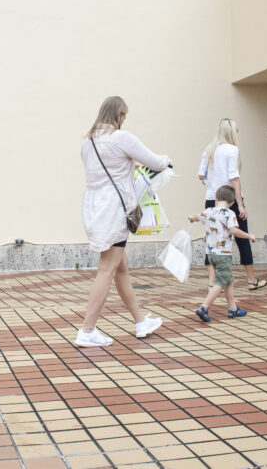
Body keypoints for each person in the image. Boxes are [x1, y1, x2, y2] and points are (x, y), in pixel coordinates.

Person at [77, 96, 169, 347]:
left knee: (121, 268)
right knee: (107, 268)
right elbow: (155, 161)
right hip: (114, 210)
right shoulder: (121, 138)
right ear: (118, 115)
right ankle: (87, 330)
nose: (124, 121)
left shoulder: (87, 142)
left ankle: (141, 321)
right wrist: (167, 160)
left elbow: (107, 168)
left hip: (95, 209)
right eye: (124, 116)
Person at [197, 119, 267, 291]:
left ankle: (212, 282)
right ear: (231, 132)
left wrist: (211, 182)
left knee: (212, 238)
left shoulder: (209, 149)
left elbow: (200, 175)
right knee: (242, 238)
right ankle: (251, 280)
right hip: (230, 199)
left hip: (211, 199)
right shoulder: (233, 150)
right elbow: (234, 179)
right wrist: (240, 205)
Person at [188, 185, 257, 322]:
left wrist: (191, 218)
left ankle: (233, 309)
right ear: (232, 203)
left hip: (211, 254)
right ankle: (204, 307)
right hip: (223, 254)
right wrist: (249, 236)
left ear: (215, 198)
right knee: (221, 282)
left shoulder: (208, 211)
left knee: (229, 280)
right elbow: (234, 231)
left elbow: (197, 217)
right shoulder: (229, 213)